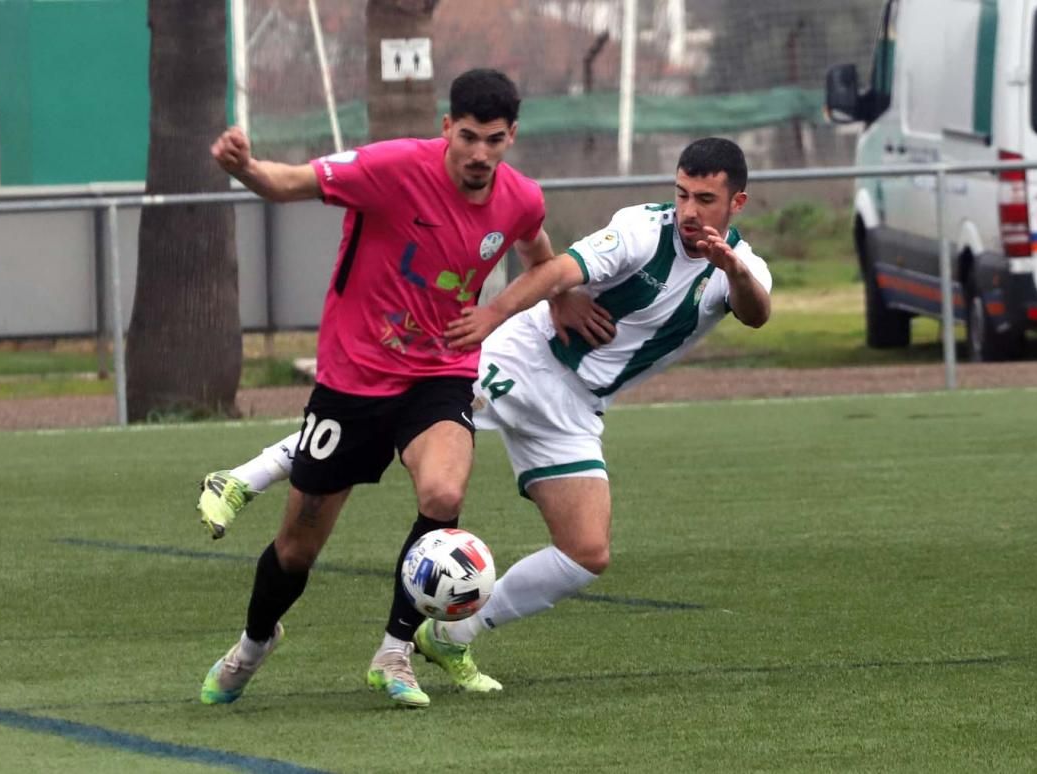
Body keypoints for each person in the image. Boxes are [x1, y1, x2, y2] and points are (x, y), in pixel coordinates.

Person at [199, 137, 772, 697]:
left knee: (587, 551)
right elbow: (559, 268)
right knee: (384, 418)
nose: (689, 211)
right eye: (682, 194)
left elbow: (756, 312)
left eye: (703, 200)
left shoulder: (739, 267)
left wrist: (735, 269)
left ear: (736, 203)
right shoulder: (644, 229)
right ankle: (245, 476)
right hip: (524, 356)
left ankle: (450, 634)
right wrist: (496, 314)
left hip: (573, 408)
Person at [198, 68, 580, 710]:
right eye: (468, 137)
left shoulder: (521, 198)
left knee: (443, 490)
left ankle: (395, 651)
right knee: (297, 548)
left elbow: (543, 260)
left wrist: (500, 312)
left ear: (511, 136)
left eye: (493, 139)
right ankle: (254, 643)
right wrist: (245, 167)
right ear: (445, 129)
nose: (480, 154)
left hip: (440, 375)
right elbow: (289, 183)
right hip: (353, 379)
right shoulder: (394, 168)